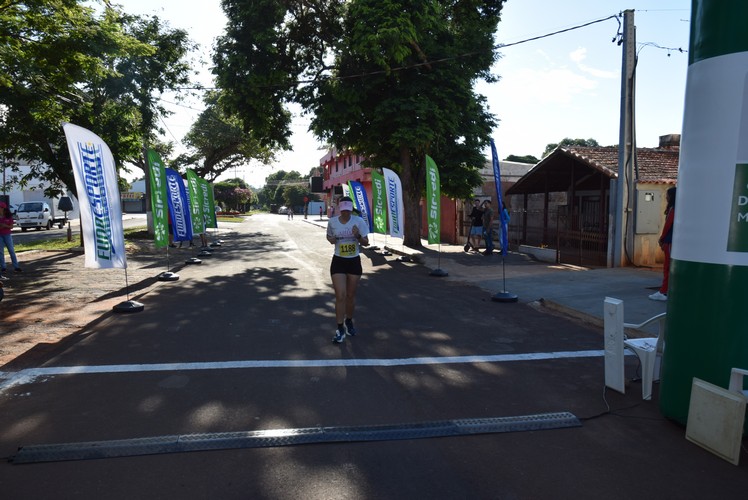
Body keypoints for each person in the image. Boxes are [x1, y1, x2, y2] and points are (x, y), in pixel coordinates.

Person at [326, 196, 369, 343]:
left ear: (351, 210)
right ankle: (339, 328)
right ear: (340, 209)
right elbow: (329, 236)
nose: (345, 213)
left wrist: (357, 235)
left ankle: (349, 321)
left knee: (350, 296)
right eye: (343, 210)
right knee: (340, 295)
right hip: (338, 261)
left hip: (354, 261)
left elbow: (366, 243)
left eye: (348, 211)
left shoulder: (359, 222)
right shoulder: (332, 222)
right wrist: (331, 240)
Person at [649, 187, 676, 301]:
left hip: (669, 241)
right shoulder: (677, 208)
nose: (666, 197)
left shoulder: (673, 210)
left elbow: (667, 226)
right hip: (671, 241)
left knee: (667, 268)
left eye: (667, 195)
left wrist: (662, 238)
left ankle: (663, 291)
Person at [0, 202, 22, 278]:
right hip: (0, 235)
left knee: (11, 250)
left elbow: (11, 226)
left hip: (7, 235)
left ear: (3, 208)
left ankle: (16, 267)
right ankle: (3, 267)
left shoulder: (8, 217)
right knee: (1, 252)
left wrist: (4, 225)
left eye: (1, 207)